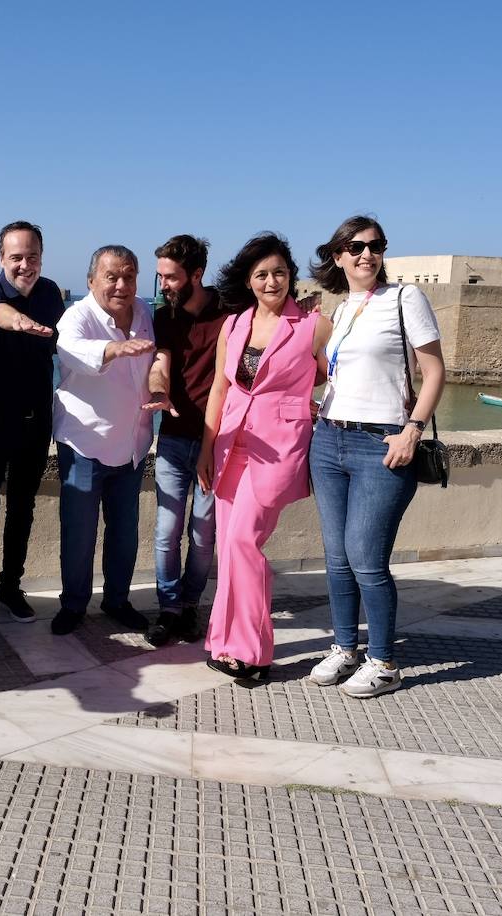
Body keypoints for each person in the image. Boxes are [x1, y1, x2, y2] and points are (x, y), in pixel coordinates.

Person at [306, 216, 445, 698]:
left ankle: (383, 661)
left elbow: (434, 372)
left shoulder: (406, 299)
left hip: (382, 443)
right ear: (338, 255)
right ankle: (345, 648)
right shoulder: (341, 310)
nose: (367, 254)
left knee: (367, 558)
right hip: (328, 440)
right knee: (337, 558)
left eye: (375, 246)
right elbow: (336, 377)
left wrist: (412, 430)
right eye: (356, 246)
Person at [197, 233, 331, 682]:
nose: (272, 281)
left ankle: (254, 652)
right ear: (249, 281)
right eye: (261, 274)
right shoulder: (233, 325)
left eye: (279, 272)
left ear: (291, 275)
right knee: (226, 547)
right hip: (230, 445)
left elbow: (340, 377)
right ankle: (222, 640)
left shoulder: (313, 325)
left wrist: (313, 410)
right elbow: (220, 388)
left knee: (242, 543)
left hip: (278, 449)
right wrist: (206, 447)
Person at [50, 246, 156, 636]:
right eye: (111, 276)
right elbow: (73, 352)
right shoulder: (76, 317)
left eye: (129, 276)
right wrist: (114, 348)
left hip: (131, 443)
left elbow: (157, 358)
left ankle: (117, 600)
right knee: (79, 533)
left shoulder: (144, 311)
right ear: (91, 280)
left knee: (124, 531)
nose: (121, 285)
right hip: (84, 443)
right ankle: (74, 604)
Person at [0, 221, 64, 623]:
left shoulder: (51, 294)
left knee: (22, 508)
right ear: (2, 257)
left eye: (32, 256)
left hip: (35, 420)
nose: (25, 264)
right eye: (16, 257)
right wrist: (18, 321)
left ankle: (10, 587)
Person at [142, 235, 229, 646]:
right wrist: (158, 391)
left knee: (203, 531)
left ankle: (191, 607)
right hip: (175, 438)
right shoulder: (166, 316)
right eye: (160, 276)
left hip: (218, 441)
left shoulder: (231, 314)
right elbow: (161, 362)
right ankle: (169, 609)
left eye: (171, 277)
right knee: (166, 528)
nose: (163, 285)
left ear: (197, 274)